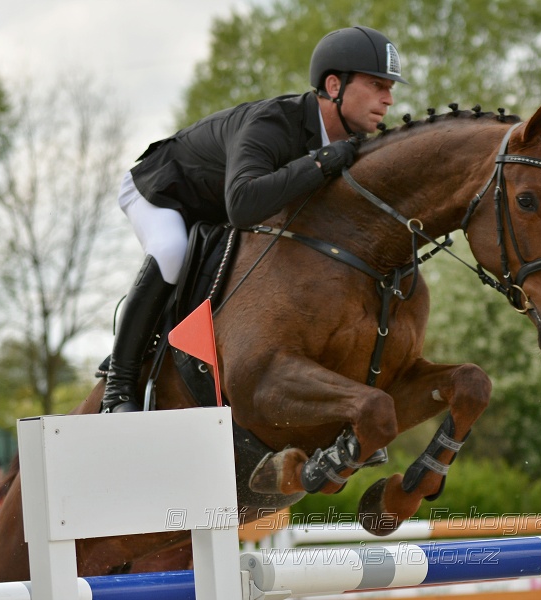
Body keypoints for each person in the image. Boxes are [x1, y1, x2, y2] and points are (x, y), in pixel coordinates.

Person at [100, 26, 407, 414]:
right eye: (378, 84)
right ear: (334, 85)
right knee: (171, 250)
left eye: (391, 87)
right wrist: (318, 164)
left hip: (216, 209)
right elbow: (244, 205)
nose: (390, 99)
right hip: (163, 189)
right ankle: (119, 385)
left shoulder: (349, 145)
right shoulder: (273, 122)